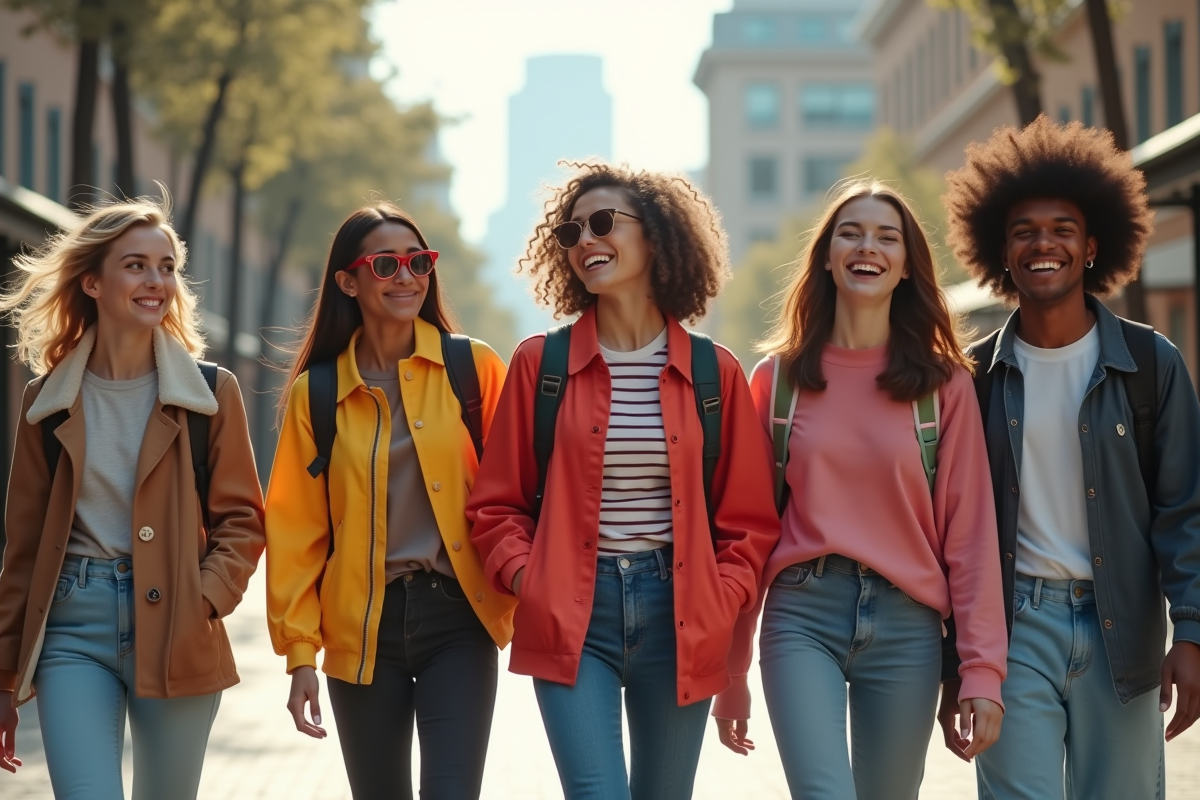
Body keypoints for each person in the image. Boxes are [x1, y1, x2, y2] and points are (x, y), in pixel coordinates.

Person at [466, 161, 779, 800]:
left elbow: (748, 522)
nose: (584, 240)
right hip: (573, 612)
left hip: (683, 611)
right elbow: (495, 505)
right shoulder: (540, 364)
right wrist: (532, 581)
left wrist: (722, 597)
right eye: (570, 232)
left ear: (657, 238)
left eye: (603, 223)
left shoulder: (714, 372)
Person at [713, 180, 1008, 800]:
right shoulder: (778, 381)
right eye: (850, 232)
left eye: (886, 236)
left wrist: (981, 671)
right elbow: (745, 533)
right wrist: (731, 668)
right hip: (802, 613)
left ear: (905, 265)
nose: (866, 246)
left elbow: (971, 537)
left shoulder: (943, 385)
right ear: (826, 255)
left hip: (909, 626)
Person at [940, 116, 1200, 799]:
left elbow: (1185, 510)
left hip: (1125, 632)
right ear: (1001, 250)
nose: (1043, 242)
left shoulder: (1150, 364)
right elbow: (950, 530)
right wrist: (956, 665)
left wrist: (1194, 635)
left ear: (1091, 247)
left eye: (1062, 228)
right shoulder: (974, 378)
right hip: (1014, 630)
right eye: (1024, 230)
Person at [0, 196, 265, 799]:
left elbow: (242, 521)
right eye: (137, 265)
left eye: (167, 266)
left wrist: (204, 599)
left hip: (180, 623)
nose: (157, 281)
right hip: (73, 625)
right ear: (91, 281)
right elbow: (24, 545)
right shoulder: (46, 400)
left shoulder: (208, 392)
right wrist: (6, 674)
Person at [265, 203, 513, 800]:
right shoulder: (317, 394)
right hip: (361, 628)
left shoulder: (473, 369)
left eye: (418, 261)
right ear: (347, 282)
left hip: (459, 619)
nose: (406, 276)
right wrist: (300, 654)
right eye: (385, 264)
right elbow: (296, 532)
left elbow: (518, 496)